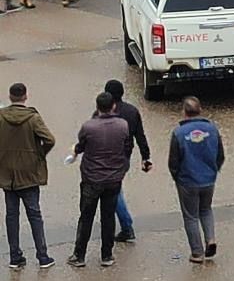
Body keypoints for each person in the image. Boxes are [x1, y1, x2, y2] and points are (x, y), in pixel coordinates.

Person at [68, 91, 130, 268]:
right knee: (108, 217)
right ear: (113, 106)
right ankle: (107, 255)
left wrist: (75, 150)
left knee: (86, 217)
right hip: (113, 179)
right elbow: (126, 148)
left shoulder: (88, 127)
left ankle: (79, 255)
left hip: (91, 179)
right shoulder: (122, 125)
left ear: (97, 107)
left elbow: (80, 146)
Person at [0, 83, 55, 269]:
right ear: (25, 96)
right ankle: (42, 256)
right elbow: (50, 139)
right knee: (34, 215)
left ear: (10, 96)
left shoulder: (1, 117)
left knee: (11, 216)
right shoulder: (33, 118)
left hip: (8, 175)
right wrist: (39, 154)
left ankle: (15, 257)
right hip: (29, 174)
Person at [168, 96, 224, 264]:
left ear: (184, 112)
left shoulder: (179, 133)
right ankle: (211, 238)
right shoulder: (213, 130)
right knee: (206, 209)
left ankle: (197, 253)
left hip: (187, 180)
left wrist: (176, 176)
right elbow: (220, 155)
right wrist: (214, 171)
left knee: (191, 216)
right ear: (200, 110)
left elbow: (173, 161)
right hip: (208, 179)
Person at [101, 79, 152, 244]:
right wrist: (146, 157)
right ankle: (120, 224)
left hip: (108, 158)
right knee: (115, 190)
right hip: (124, 157)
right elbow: (140, 136)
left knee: (114, 193)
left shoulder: (104, 112)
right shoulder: (132, 111)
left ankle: (126, 226)